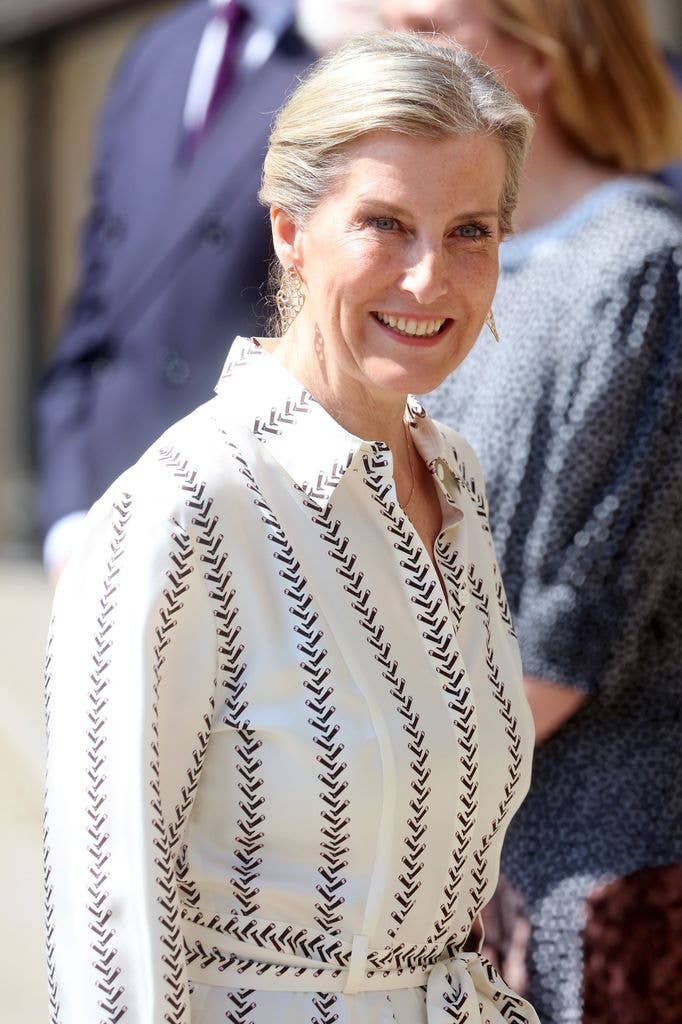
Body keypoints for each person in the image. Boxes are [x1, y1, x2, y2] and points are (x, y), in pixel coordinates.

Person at [43, 32, 540, 1024]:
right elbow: (111, 942)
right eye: (385, 224)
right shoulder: (180, 509)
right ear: (288, 230)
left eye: (470, 231)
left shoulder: (457, 476)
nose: (428, 278)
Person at [383, 2, 682, 1022]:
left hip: (588, 889)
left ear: (542, 51)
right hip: (451, 859)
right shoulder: (440, 272)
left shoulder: (640, 270)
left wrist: (368, 820)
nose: (398, 46)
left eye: (432, 21)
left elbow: (563, 637)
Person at [35, 0, 382, 581]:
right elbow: (99, 308)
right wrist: (70, 514)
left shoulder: (360, 37)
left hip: (267, 525)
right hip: (110, 512)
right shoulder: (158, 48)